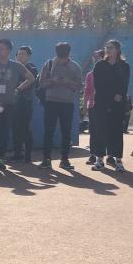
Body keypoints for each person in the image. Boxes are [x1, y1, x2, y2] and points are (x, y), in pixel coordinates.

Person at [0, 38, 35, 170]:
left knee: (4, 132)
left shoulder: (16, 66)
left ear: (9, 50)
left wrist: (18, 89)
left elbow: (31, 78)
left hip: (9, 105)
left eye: (2, 49)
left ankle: (0, 158)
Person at [36, 42, 82, 170]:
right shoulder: (49, 64)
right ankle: (46, 159)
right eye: (60, 52)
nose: (61, 55)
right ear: (56, 52)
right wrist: (53, 81)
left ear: (68, 52)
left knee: (66, 132)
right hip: (51, 102)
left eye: (64, 52)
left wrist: (67, 82)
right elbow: (41, 83)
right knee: (48, 131)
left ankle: (64, 159)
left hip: (67, 103)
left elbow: (79, 86)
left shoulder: (75, 67)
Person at [89, 40, 130, 173]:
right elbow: (98, 85)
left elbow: (124, 84)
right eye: (107, 47)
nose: (108, 49)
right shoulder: (100, 65)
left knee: (116, 132)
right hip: (101, 103)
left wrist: (120, 95)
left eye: (111, 47)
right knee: (100, 131)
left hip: (118, 104)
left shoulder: (124, 66)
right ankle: (99, 160)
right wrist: (112, 95)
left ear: (117, 49)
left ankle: (118, 161)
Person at [12, 45, 39, 162]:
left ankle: (27, 155)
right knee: (15, 128)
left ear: (29, 56)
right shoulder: (12, 68)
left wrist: (17, 88)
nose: (20, 56)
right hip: (13, 103)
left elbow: (29, 82)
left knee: (25, 129)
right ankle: (17, 154)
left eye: (23, 54)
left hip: (25, 103)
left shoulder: (31, 68)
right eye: (18, 54)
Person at [83, 48, 105, 164]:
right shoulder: (90, 75)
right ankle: (92, 154)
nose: (95, 59)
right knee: (93, 130)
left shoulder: (108, 73)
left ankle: (106, 155)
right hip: (92, 105)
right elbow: (87, 92)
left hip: (105, 106)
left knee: (104, 130)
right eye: (94, 57)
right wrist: (84, 107)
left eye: (97, 57)